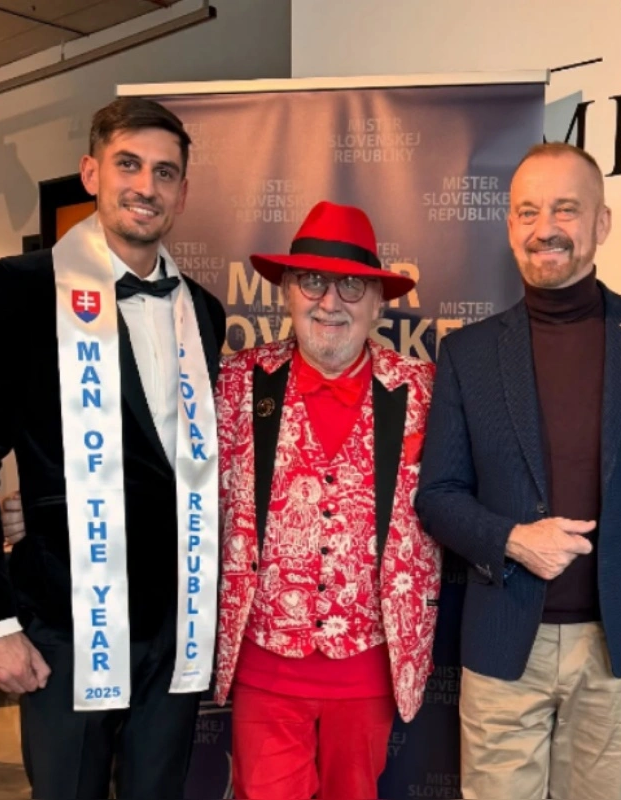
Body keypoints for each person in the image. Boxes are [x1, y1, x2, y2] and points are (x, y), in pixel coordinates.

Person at [0, 97, 226, 799]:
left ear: (183, 192)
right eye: (128, 165)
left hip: (178, 626)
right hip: (67, 623)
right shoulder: (21, 288)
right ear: (92, 173)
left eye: (164, 172)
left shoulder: (204, 311)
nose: (146, 186)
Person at [415, 143, 621, 800]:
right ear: (510, 226)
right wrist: (513, 539)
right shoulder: (468, 353)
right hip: (505, 637)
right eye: (528, 211)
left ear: (602, 222)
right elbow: (438, 495)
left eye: (566, 209)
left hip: (618, 640)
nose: (546, 228)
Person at [212, 200, 441, 800]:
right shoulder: (236, 382)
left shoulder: (423, 391)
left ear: (378, 301)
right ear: (287, 291)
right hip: (264, 665)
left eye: (352, 285)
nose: (330, 301)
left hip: (369, 668)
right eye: (312, 281)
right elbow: (173, 482)